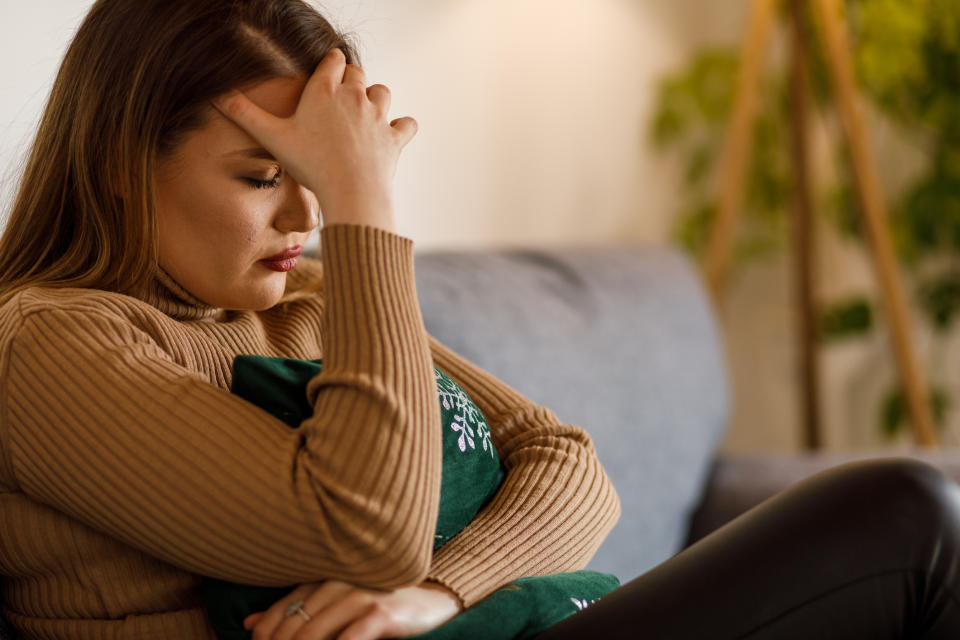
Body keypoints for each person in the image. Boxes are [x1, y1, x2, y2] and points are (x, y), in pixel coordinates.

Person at [2, 1, 960, 640]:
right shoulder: (49, 347)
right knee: (911, 517)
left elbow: (570, 465)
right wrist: (366, 210)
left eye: (324, 183)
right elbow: (364, 532)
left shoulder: (311, 298)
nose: (307, 219)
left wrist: (438, 593)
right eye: (264, 179)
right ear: (127, 162)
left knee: (914, 510)